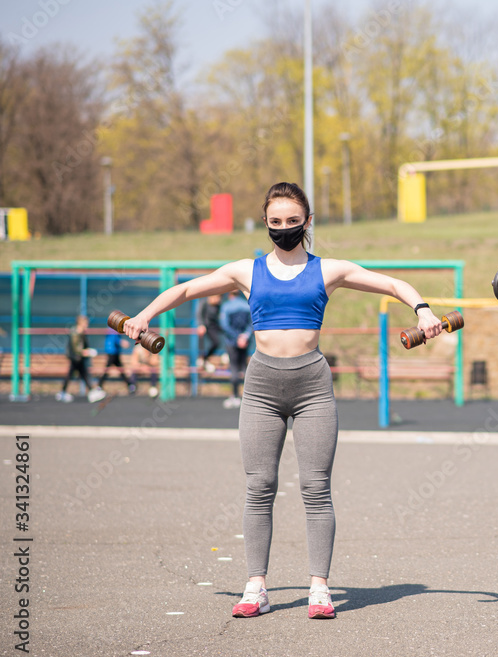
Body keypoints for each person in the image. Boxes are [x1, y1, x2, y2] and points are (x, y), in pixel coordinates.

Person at [122, 181, 444, 620]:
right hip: (262, 387)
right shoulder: (246, 271)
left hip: (312, 385)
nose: (284, 229)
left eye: (293, 221)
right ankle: (256, 586)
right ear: (266, 224)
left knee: (316, 488)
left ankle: (319, 588)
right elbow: (186, 290)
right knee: (259, 487)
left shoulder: (328, 270)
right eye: (276, 222)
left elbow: (390, 283)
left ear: (307, 222)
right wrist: (143, 316)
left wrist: (423, 310)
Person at [56, 315, 107, 403]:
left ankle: (90, 391)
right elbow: (76, 349)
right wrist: (88, 352)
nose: (87, 324)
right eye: (86, 323)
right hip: (75, 357)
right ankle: (63, 392)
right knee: (77, 374)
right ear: (81, 323)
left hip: (79, 358)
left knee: (82, 374)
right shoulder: (76, 332)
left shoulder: (82, 332)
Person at [219, 291, 253, 409]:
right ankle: (248, 398)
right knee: (244, 367)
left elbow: (224, 325)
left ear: (230, 295)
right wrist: (244, 337)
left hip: (231, 342)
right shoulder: (246, 305)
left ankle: (235, 396)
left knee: (233, 368)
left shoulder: (226, 306)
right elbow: (252, 323)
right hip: (245, 342)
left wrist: (236, 337)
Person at [99, 327, 137, 395]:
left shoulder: (115, 328)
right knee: (109, 370)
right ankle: (99, 386)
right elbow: (114, 339)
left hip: (115, 352)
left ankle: (130, 385)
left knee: (120, 370)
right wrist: (122, 342)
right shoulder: (113, 328)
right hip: (112, 352)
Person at [196, 293, 225, 373]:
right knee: (214, 342)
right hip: (206, 327)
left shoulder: (218, 306)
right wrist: (201, 325)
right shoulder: (204, 303)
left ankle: (205, 358)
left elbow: (218, 318)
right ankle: (202, 358)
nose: (218, 300)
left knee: (218, 342)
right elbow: (199, 314)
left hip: (214, 327)